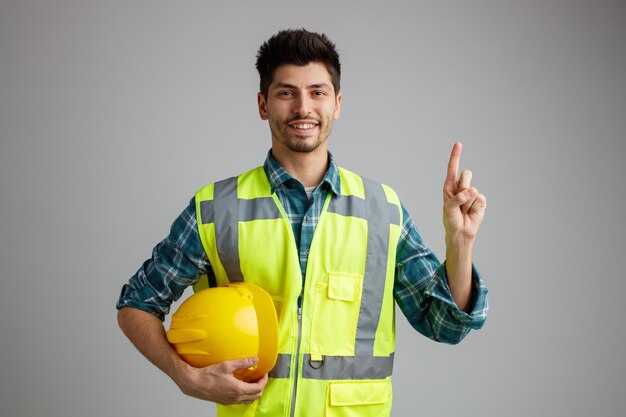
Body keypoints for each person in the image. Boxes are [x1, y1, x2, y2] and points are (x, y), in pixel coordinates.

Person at [116, 28, 489, 417]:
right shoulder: (215, 208)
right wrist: (185, 377)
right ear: (263, 104)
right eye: (285, 93)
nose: (303, 108)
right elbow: (136, 304)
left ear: (337, 103)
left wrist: (460, 245)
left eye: (317, 92)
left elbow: (445, 325)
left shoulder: (383, 210)